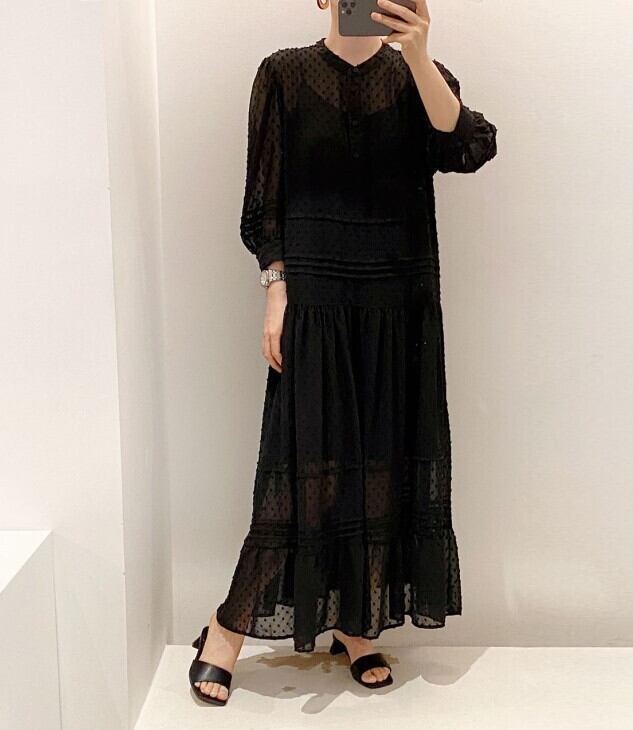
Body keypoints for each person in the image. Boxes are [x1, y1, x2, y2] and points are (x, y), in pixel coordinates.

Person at [188, 0, 497, 705]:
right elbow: (263, 200)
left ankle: (356, 625)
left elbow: (468, 147)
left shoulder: (421, 74)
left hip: (399, 298)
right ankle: (227, 627)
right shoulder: (283, 74)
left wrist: (418, 55)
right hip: (318, 296)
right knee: (304, 471)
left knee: (383, 466)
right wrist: (276, 288)